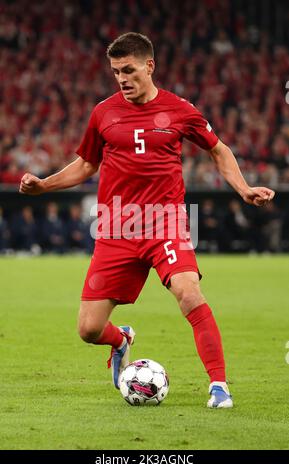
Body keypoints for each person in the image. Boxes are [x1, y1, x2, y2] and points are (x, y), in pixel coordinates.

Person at [19, 32, 275, 408]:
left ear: (149, 66)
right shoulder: (103, 112)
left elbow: (218, 150)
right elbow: (87, 164)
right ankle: (120, 340)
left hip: (165, 223)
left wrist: (242, 188)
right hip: (116, 229)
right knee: (89, 329)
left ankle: (219, 386)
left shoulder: (180, 110)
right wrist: (45, 185)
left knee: (189, 293)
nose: (122, 78)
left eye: (129, 70)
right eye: (116, 71)